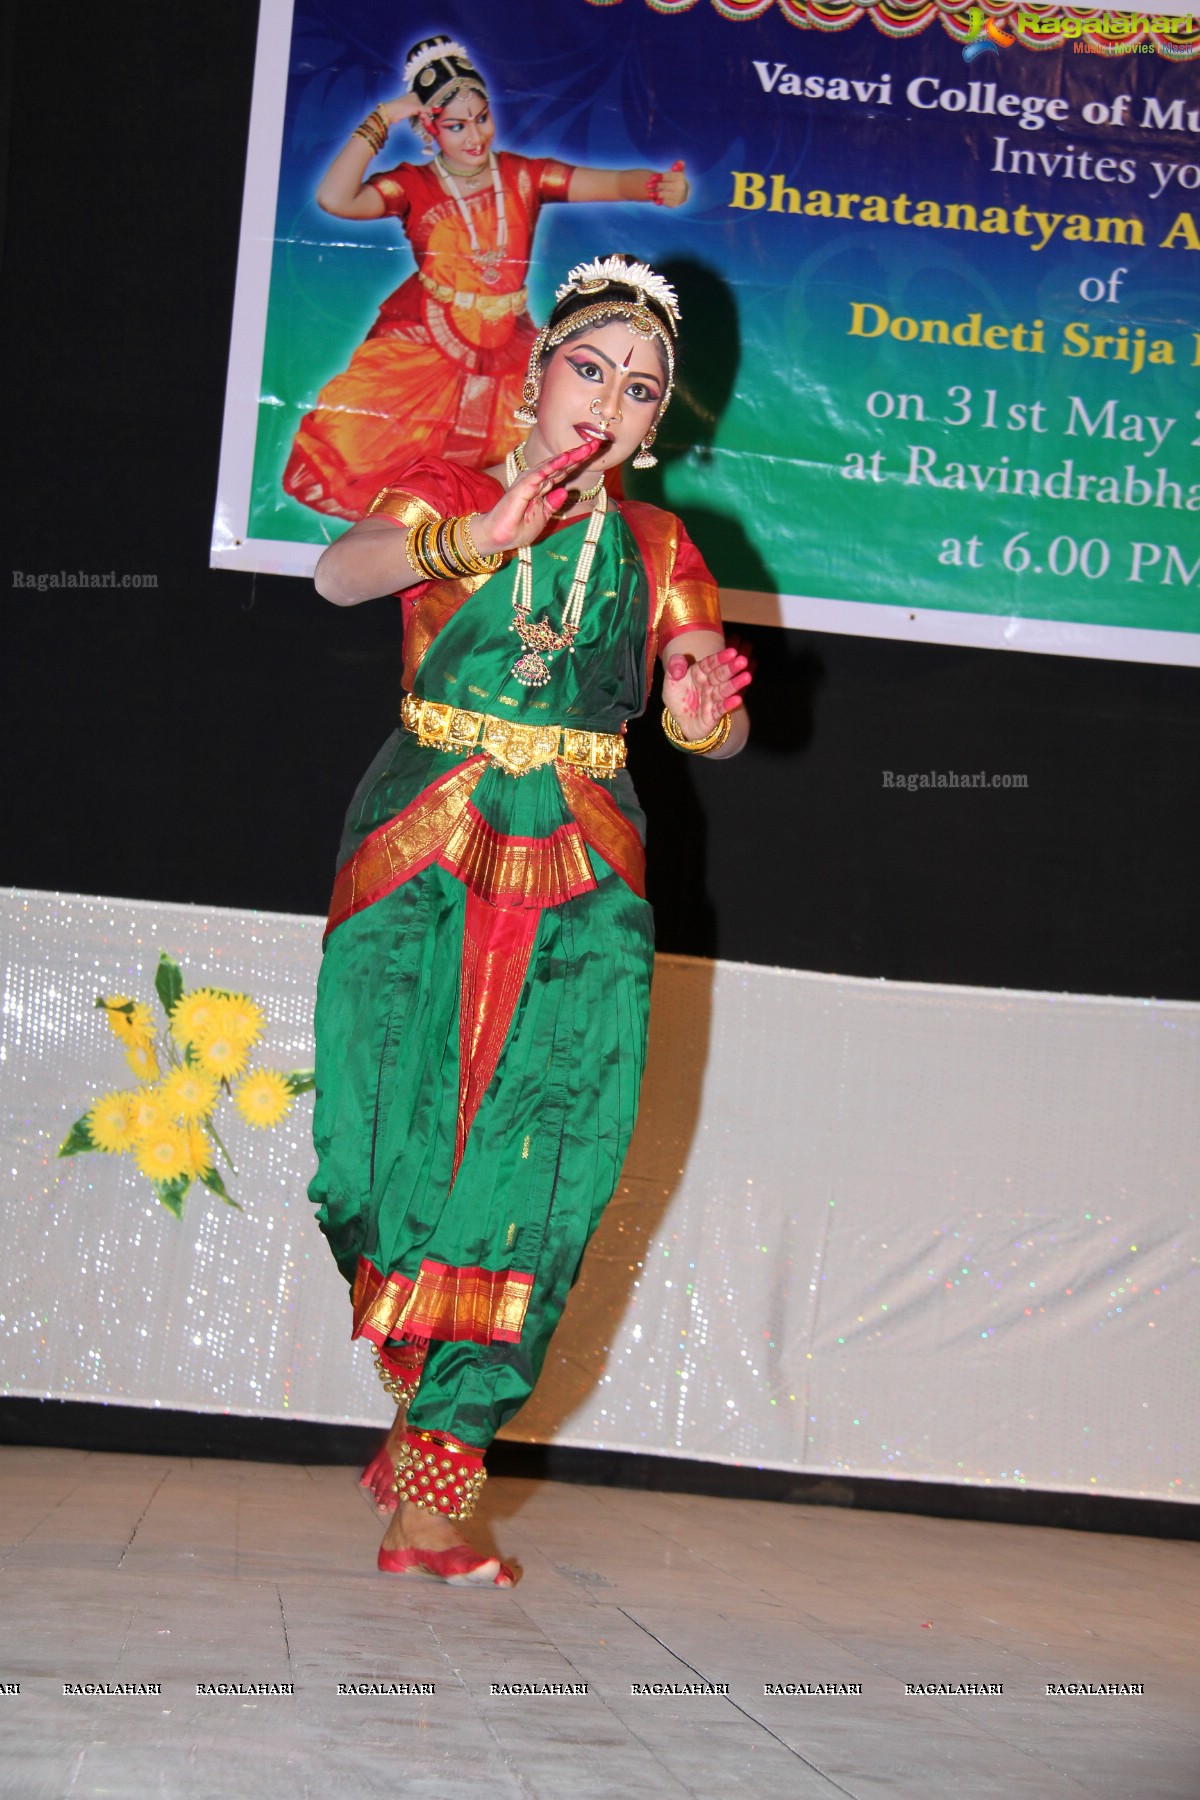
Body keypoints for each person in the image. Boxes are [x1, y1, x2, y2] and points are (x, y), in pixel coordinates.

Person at [309, 253, 751, 1587]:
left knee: (550, 1157)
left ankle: (440, 1478)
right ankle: (419, 1408)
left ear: (655, 426)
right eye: (592, 368)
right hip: (423, 840)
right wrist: (477, 538)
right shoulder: (448, 487)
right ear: (537, 369)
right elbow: (338, 576)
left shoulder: (666, 548)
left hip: (583, 862)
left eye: (641, 391)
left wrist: (701, 712)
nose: (610, 402)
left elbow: (707, 710)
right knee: (380, 1158)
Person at [283, 35, 690, 519]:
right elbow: (335, 199)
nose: (475, 136)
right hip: (427, 340)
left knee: (548, 472)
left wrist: (654, 186)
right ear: (428, 128)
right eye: (456, 125)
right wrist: (385, 116)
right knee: (358, 450)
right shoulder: (414, 185)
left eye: (482, 118)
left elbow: (606, 181)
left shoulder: (522, 176)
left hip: (510, 343)